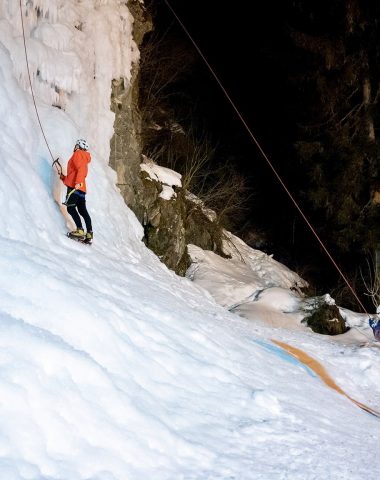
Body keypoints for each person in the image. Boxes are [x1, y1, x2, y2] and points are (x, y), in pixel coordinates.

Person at [59, 139, 93, 242]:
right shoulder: (84, 157)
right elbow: (76, 173)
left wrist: (77, 182)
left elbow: (81, 169)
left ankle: (80, 230)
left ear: (78, 146)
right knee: (83, 211)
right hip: (81, 189)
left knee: (70, 208)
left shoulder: (78, 154)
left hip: (75, 187)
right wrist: (63, 178)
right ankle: (89, 233)